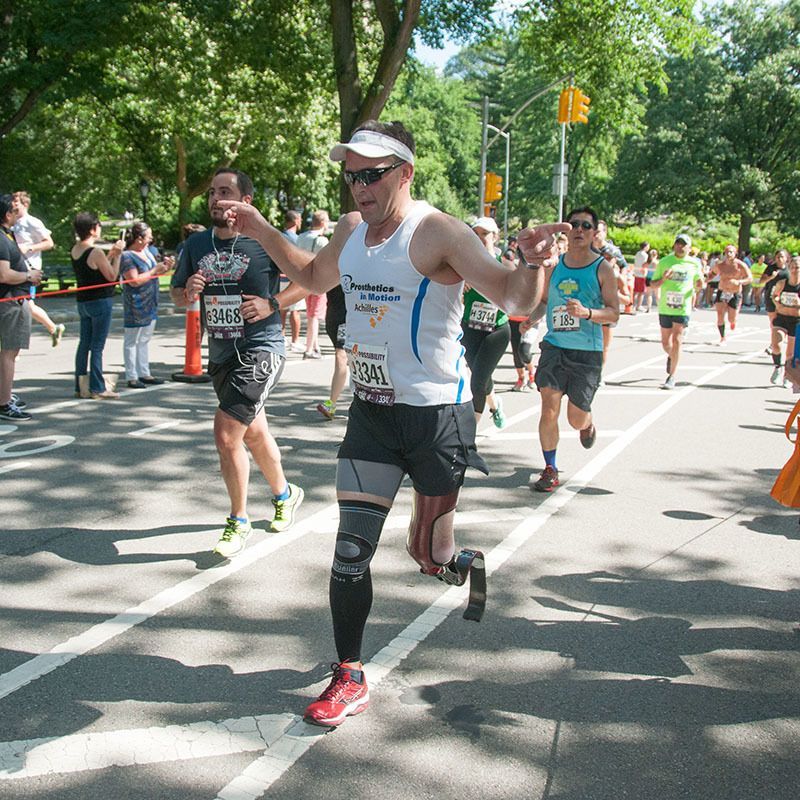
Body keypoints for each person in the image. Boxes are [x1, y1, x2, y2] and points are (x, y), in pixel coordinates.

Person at [215, 119, 567, 728]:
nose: (359, 187)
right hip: (373, 416)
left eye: (373, 174)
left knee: (426, 555)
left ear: (405, 172)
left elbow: (513, 298)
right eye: (351, 175)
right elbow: (310, 275)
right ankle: (348, 674)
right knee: (350, 551)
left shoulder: (438, 233)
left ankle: (455, 562)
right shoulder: (351, 231)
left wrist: (533, 263)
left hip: (437, 415)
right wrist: (262, 228)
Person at [170, 168, 306, 559]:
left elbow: (313, 278)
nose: (215, 198)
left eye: (225, 191)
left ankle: (238, 520)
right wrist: (187, 292)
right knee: (252, 433)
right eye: (212, 192)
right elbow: (178, 295)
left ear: (246, 201)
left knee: (227, 431)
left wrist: (272, 303)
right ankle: (285, 493)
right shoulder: (196, 244)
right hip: (223, 353)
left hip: (263, 346)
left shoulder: (267, 241)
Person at [524, 207, 620, 493]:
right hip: (555, 347)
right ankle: (550, 469)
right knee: (548, 408)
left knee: (574, 417)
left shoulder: (602, 268)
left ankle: (587, 423)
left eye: (585, 226)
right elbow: (543, 301)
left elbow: (614, 313)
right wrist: (533, 317)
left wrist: (587, 312)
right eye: (574, 225)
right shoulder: (554, 267)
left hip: (587, 353)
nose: (579, 230)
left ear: (594, 232)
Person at [461, 217, 510, 427]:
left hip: (496, 330)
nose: (480, 238)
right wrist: (460, 284)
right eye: (476, 233)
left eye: (485, 234)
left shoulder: (505, 265)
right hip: (470, 328)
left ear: (495, 237)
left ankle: (469, 433)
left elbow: (515, 299)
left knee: (477, 380)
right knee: (481, 374)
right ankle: (495, 405)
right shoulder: (462, 262)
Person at [70, 212, 124, 400]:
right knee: (97, 346)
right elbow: (111, 277)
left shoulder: (76, 249)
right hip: (100, 300)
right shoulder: (95, 251)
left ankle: (79, 384)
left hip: (83, 300)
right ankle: (97, 387)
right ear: (93, 229)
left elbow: (95, 269)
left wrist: (110, 255)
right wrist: (117, 256)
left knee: (84, 343)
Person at [0, 194, 42, 421]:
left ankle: (4, 394)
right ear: (7, 214)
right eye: (15, 211)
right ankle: (4, 403)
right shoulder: (1, 239)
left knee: (8, 353)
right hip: (10, 302)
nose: (18, 214)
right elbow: (4, 274)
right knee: (9, 353)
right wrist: (28, 275)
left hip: (14, 300)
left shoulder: (7, 235)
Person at [120, 222, 173, 388]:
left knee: (144, 339)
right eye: (148, 235)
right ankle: (132, 376)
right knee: (132, 340)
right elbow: (134, 280)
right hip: (136, 302)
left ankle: (144, 372)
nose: (151, 238)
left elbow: (156, 272)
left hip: (151, 300)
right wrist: (154, 270)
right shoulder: (127, 256)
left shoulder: (148, 252)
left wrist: (165, 267)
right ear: (139, 238)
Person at [650, 233, 705, 390]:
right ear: (674, 245)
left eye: (684, 245)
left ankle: (672, 376)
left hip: (683, 307)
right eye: (678, 244)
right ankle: (672, 356)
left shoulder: (694, 264)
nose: (680, 247)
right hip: (665, 306)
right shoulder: (665, 262)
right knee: (666, 342)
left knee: (677, 341)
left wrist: (700, 284)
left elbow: (700, 284)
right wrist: (663, 279)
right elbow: (653, 284)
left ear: (689, 248)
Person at [11, 192, 64, 347]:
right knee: (23, 305)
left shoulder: (32, 222)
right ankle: (53, 329)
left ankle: (52, 329)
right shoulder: (12, 222)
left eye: (16, 202)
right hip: (15, 270)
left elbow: (49, 242)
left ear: (25, 204)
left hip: (29, 270)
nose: (13, 205)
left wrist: (29, 248)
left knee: (25, 305)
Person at [297, 210, 330, 359]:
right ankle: (309, 349)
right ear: (323, 223)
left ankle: (315, 346)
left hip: (302, 280)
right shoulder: (322, 241)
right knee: (314, 315)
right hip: (318, 281)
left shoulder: (301, 237)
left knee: (310, 313)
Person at [707, 244, 752, 344]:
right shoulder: (720, 265)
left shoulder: (740, 265)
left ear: (735, 254)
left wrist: (739, 282)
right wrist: (705, 280)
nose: (728, 254)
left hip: (734, 293)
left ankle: (733, 322)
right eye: (727, 252)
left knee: (731, 318)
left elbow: (750, 278)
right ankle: (722, 337)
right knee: (720, 314)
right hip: (722, 291)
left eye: (731, 252)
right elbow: (712, 274)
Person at [769, 255, 800, 386]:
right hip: (782, 317)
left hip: (797, 320)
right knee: (776, 344)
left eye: (797, 267)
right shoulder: (783, 283)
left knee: (791, 352)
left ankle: (788, 376)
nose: (794, 270)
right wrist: (778, 304)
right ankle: (777, 367)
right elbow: (774, 296)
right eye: (792, 267)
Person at [764, 249, 790, 375]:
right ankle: (774, 341)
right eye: (778, 257)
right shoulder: (771, 268)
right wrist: (771, 277)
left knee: (777, 322)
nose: (779, 259)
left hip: (785, 302)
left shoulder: (789, 271)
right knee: (773, 322)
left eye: (782, 257)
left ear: (786, 258)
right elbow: (761, 281)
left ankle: (776, 341)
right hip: (771, 298)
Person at [632, 241, 650, 312]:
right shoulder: (645, 255)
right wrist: (645, 273)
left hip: (636, 273)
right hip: (642, 275)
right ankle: (638, 305)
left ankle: (633, 305)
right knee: (641, 292)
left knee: (635, 291)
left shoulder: (637, 253)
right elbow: (644, 265)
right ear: (645, 247)